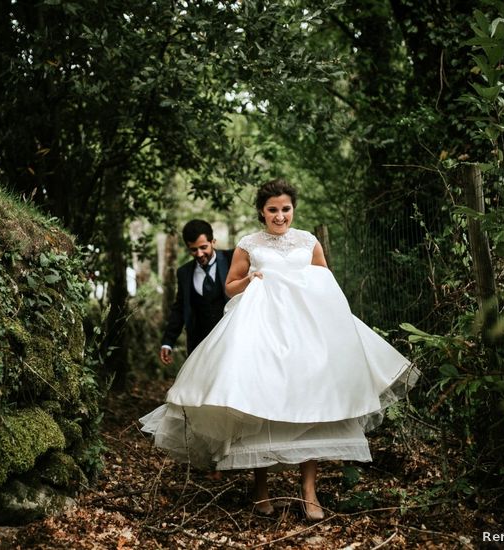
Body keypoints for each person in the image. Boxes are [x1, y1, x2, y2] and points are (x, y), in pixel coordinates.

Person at [140, 179, 418, 520]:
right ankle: (261, 489)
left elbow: (324, 282)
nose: (280, 216)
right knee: (261, 404)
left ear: (293, 209)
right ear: (262, 211)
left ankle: (309, 492)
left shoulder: (308, 241)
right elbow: (229, 288)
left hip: (306, 334)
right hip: (263, 332)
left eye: (285, 209)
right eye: (273, 209)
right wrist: (252, 279)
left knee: (309, 404)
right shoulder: (248, 245)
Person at [159, 219, 233, 366]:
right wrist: (168, 342)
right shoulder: (184, 273)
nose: (199, 254)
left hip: (230, 340)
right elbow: (179, 309)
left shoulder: (232, 259)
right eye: (193, 249)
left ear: (213, 242)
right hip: (199, 345)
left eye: (203, 247)